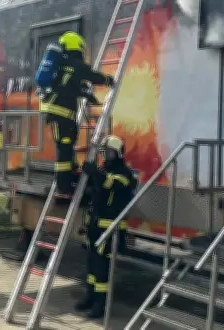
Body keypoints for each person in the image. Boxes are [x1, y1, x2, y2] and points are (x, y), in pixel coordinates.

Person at [39, 31, 114, 195]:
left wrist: (88, 95)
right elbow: (92, 76)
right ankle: (64, 185)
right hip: (61, 113)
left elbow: (69, 87)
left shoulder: (62, 64)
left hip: (57, 111)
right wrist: (108, 80)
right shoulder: (76, 64)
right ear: (78, 46)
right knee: (65, 146)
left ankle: (69, 174)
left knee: (67, 143)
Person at [75, 135, 137, 319]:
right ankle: (90, 297)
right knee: (91, 263)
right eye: (105, 152)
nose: (106, 155)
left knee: (102, 267)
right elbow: (97, 186)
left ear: (118, 153)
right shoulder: (103, 169)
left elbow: (110, 184)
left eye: (110, 152)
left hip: (111, 228)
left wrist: (94, 173)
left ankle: (100, 305)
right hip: (95, 223)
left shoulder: (125, 173)